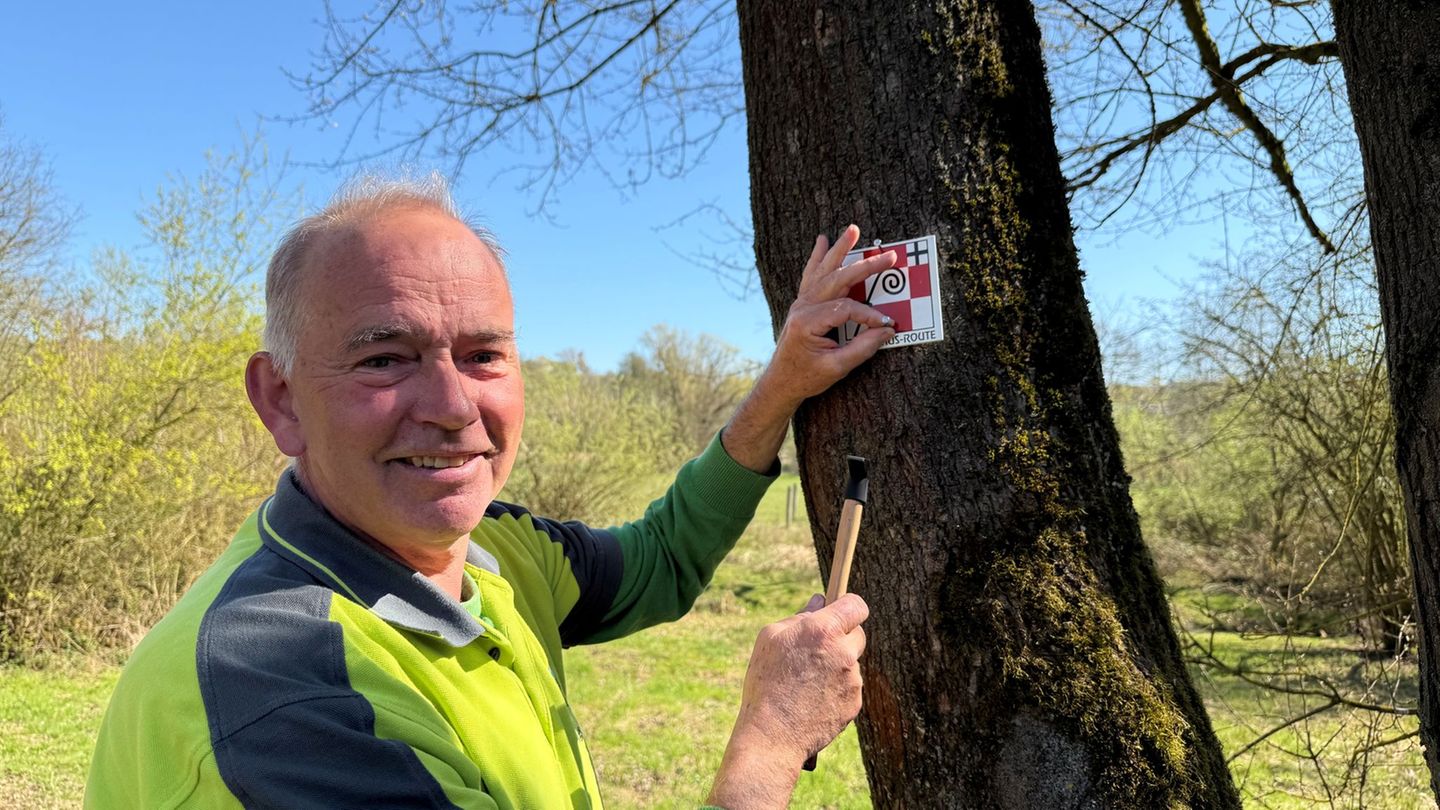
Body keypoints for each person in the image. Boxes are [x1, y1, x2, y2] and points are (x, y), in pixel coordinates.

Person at [85, 174, 899, 809]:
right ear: (281, 399)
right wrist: (767, 747)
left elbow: (658, 561)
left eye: (482, 356)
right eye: (384, 358)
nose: (450, 408)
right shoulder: (282, 682)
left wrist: (784, 383)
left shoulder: (495, 550)